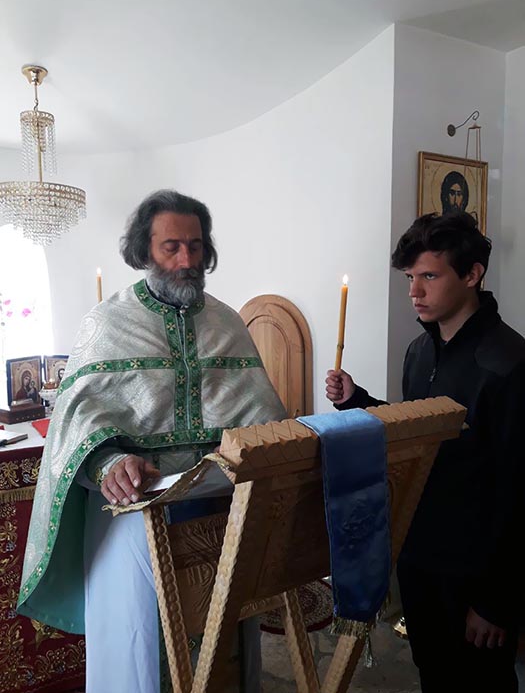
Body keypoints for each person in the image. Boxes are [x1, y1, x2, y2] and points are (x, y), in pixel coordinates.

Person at [18, 189, 286, 692]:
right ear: (145, 250)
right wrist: (109, 463)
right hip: (133, 518)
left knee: (224, 652)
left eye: (195, 246)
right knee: (139, 648)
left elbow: (263, 417)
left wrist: (254, 450)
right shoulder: (107, 323)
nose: (187, 261)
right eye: (171, 247)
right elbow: (76, 422)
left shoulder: (227, 322)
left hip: (222, 517)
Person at [326, 211, 525, 692]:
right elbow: (419, 432)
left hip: (476, 571)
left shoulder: (510, 363)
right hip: (421, 553)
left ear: (472, 274)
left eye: (429, 276)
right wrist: (358, 400)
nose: (414, 291)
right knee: (433, 672)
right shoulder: (419, 350)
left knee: (479, 682)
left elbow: (519, 493)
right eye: (410, 278)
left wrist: (496, 601)